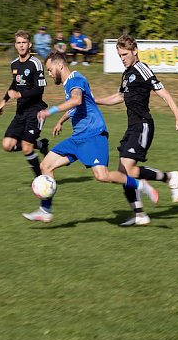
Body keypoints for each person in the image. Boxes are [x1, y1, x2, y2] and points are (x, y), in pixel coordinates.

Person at [23, 50, 159, 223]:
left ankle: (141, 185)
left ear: (60, 65)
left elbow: (77, 100)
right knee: (46, 165)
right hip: (78, 137)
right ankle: (45, 210)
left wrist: (50, 111)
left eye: (50, 70)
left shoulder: (75, 79)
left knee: (102, 176)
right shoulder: (68, 84)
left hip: (93, 135)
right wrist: (62, 121)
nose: (49, 74)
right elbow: (76, 107)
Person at [95, 34, 178, 226]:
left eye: (124, 54)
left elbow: (164, 93)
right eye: (119, 55)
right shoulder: (126, 73)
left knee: (128, 171)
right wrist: (96, 100)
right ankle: (139, 214)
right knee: (123, 174)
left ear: (134, 51)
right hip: (132, 127)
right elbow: (119, 97)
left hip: (143, 126)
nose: (122, 58)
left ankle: (168, 177)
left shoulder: (142, 69)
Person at [0, 30, 50, 179]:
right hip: (20, 112)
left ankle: (40, 179)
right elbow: (15, 83)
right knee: (7, 145)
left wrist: (20, 94)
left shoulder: (36, 63)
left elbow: (39, 89)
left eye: (24, 43)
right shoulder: (14, 64)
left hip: (36, 111)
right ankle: (40, 145)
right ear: (15, 45)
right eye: (18, 43)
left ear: (30, 44)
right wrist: (4, 100)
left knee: (27, 148)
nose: (21, 46)